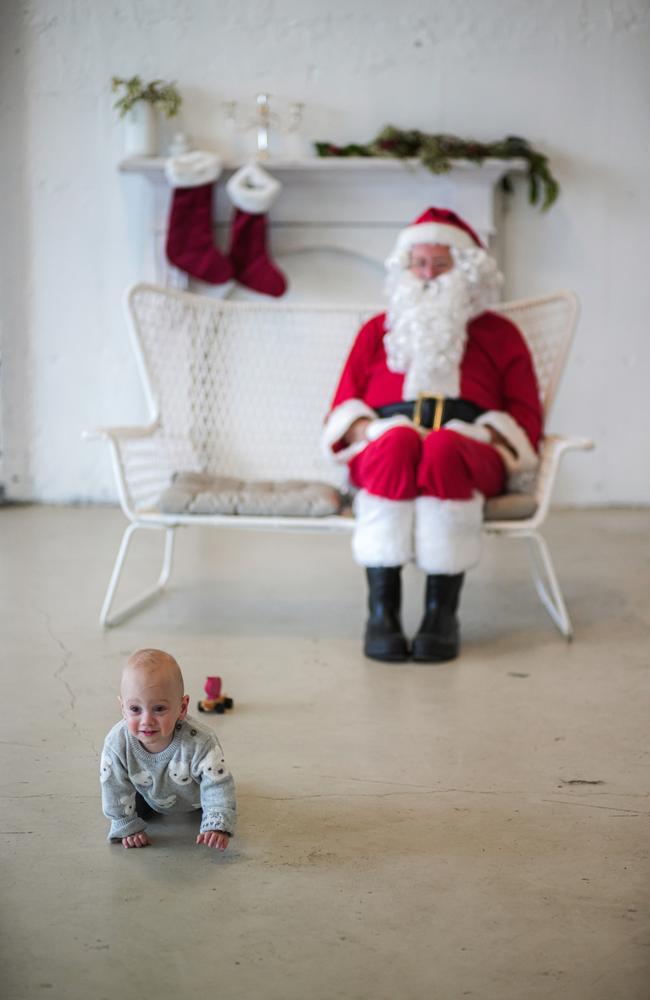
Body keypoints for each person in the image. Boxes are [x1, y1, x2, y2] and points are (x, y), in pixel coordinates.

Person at [322, 207, 542, 664]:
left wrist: (483, 434)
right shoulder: (375, 331)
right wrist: (375, 428)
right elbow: (343, 408)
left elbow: (525, 418)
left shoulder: (501, 334)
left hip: (470, 445)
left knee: (442, 446)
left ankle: (442, 614)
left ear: (464, 270)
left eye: (440, 265)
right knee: (400, 443)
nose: (427, 275)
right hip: (387, 439)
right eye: (418, 264)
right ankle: (381, 613)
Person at [100, 648, 236, 849]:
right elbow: (113, 786)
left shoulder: (200, 742)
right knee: (125, 795)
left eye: (160, 709)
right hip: (146, 796)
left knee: (214, 793)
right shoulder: (117, 743)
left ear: (182, 708)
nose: (147, 721)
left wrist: (217, 822)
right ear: (123, 708)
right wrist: (124, 823)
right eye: (135, 709)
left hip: (196, 798)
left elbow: (217, 783)